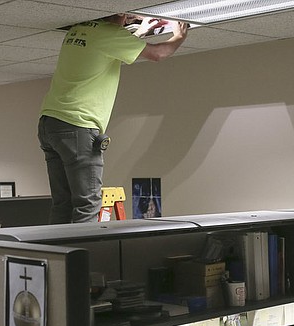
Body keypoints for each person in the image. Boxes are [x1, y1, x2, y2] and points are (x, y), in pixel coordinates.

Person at [38, 15, 188, 224]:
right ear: (122, 15)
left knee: (63, 204)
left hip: (50, 123)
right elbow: (157, 54)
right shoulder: (110, 34)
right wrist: (178, 37)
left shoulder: (79, 30)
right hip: (78, 126)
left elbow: (110, 45)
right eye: (128, 17)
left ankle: (57, 255)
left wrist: (139, 32)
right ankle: (80, 256)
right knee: (87, 204)